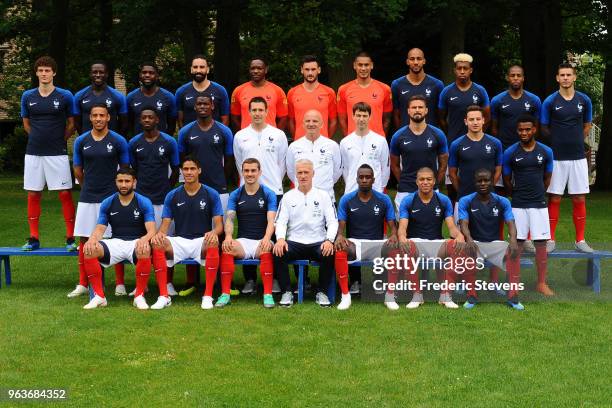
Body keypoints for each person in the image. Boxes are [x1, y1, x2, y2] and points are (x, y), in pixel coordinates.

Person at [68, 104, 130, 299]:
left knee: (116, 239)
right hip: (88, 196)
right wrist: (88, 186)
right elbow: (77, 170)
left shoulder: (119, 140)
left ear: (108, 117)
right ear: (90, 118)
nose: (98, 119)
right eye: (94, 115)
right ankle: (83, 283)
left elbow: (125, 169)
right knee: (85, 239)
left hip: (112, 197)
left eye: (102, 115)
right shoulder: (81, 141)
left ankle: (120, 283)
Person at [177, 95, 234, 294]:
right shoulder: (185, 132)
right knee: (191, 233)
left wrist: (220, 181)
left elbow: (229, 160)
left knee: (219, 234)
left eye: (206, 104)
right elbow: (182, 160)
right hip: (192, 190)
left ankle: (220, 281)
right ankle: (192, 282)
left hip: (218, 189)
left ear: (212, 106)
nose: (202, 107)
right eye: (199, 104)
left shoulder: (224, 131)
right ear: (195, 107)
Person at [151, 157, 224, 310]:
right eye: (186, 169)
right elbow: (165, 225)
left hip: (201, 241)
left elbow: (219, 226)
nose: (189, 172)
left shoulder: (211, 194)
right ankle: (164, 296)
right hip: (180, 240)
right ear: (181, 172)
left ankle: (208, 295)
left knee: (213, 241)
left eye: (192, 169)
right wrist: (159, 235)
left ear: (199, 171)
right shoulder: (172, 195)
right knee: (157, 243)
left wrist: (213, 232)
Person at [80, 168, 159, 310]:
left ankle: (139, 295)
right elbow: (100, 228)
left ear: (134, 182)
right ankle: (99, 296)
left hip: (137, 242)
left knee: (144, 248)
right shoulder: (108, 202)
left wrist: (144, 239)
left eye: (127, 181)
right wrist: (92, 239)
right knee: (89, 250)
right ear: (115, 182)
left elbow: (152, 230)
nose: (123, 185)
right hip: (115, 242)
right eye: (120, 181)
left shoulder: (143, 202)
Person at [20, 55, 76, 252]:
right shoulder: (27, 96)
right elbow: (26, 123)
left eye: (47, 70)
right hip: (34, 152)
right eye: (40, 70)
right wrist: (36, 137)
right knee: (33, 193)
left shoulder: (65, 95)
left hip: (57, 153)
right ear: (36, 73)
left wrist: (61, 139)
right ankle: (34, 238)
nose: (44, 73)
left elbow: (71, 123)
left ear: (54, 72)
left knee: (64, 193)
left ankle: (70, 238)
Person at [233, 97, 288, 294]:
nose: (257, 113)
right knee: (247, 233)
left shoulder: (278, 134)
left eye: (260, 110)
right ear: (249, 112)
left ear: (267, 112)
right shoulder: (240, 135)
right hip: (247, 192)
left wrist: (272, 184)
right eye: (254, 110)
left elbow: (282, 163)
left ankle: (272, 278)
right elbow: (240, 164)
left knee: (272, 235)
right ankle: (249, 279)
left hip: (274, 191)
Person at [541, 63, 593, 253]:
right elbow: (544, 127)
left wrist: (578, 139)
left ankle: (580, 240)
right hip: (556, 158)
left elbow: (587, 124)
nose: (565, 78)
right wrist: (557, 141)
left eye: (568, 74)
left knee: (579, 198)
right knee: (554, 198)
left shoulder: (584, 100)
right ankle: (550, 239)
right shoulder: (550, 101)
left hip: (578, 157)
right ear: (557, 78)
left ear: (574, 77)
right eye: (562, 75)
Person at [273, 159, 339, 307]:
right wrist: (281, 239)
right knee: (278, 251)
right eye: (300, 173)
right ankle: (287, 292)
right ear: (295, 175)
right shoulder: (288, 197)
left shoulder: (323, 196)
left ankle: (322, 292)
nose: (303, 176)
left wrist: (329, 240)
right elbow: (281, 222)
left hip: (318, 242)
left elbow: (333, 222)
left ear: (313, 173)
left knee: (330, 252)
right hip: (295, 242)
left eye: (306, 172)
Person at [129, 107, 180, 296]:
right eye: (144, 117)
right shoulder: (134, 143)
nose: (148, 120)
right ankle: (143, 283)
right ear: (140, 121)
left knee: (165, 242)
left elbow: (175, 169)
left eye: (151, 117)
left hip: (162, 200)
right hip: (142, 201)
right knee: (141, 243)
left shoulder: (169, 141)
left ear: (157, 119)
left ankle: (168, 283)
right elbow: (132, 169)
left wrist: (167, 190)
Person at [398, 167, 465, 309]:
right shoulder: (408, 200)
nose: (425, 182)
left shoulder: (443, 200)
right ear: (416, 182)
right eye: (421, 179)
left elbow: (451, 227)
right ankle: (417, 295)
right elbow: (402, 227)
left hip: (436, 244)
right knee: (407, 245)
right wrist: (402, 237)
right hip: (415, 244)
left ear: (434, 181)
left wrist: (459, 235)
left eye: (429, 179)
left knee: (455, 245)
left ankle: (445, 295)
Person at [503, 114, 555, 296]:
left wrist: (538, 192)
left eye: (527, 129)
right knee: (515, 243)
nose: (524, 133)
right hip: (518, 205)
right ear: (517, 131)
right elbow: (507, 179)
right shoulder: (510, 152)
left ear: (534, 130)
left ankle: (541, 283)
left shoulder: (546, 152)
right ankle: (513, 284)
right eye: (520, 130)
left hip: (539, 205)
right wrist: (516, 195)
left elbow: (547, 178)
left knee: (541, 243)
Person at [457, 169, 522, 310]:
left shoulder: (502, 201)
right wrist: (468, 239)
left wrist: (513, 240)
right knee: (467, 253)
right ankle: (471, 296)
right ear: (474, 183)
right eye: (479, 181)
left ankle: (513, 297)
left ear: (492, 182)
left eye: (486, 180)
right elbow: (463, 223)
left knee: (514, 254)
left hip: (495, 244)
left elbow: (511, 223)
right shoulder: (466, 200)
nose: (483, 183)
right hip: (475, 243)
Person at [335, 164, 398, 310]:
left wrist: (394, 235)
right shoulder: (347, 199)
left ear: (373, 179)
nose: (364, 180)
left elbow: (392, 226)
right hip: (355, 244)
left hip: (377, 243)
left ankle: (389, 295)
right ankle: (345, 295)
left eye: (367, 177)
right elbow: (341, 227)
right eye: (361, 177)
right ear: (356, 179)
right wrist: (339, 236)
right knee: (339, 248)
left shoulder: (384, 199)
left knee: (394, 248)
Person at [220, 158, 278, 308]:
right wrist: (228, 237)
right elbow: (230, 219)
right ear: (242, 172)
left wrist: (266, 238)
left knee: (266, 247)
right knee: (227, 247)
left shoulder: (268, 193)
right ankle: (225, 294)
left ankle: (267, 295)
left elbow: (271, 220)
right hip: (243, 242)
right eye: (246, 170)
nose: (250, 174)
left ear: (259, 172)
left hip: (262, 240)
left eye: (253, 170)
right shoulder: (236, 194)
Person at [438, 53, 490, 202]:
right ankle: (456, 218)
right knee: (451, 183)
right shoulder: (446, 92)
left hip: (476, 144)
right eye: (459, 68)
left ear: (470, 70)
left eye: (465, 68)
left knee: (477, 180)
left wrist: (477, 134)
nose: (462, 71)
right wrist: (451, 133)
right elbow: (441, 118)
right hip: (453, 143)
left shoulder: (480, 91)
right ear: (454, 70)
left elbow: (487, 116)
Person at [390, 95, 448, 210]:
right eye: (414, 107)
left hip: (430, 190)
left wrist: (434, 183)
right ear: (408, 111)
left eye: (420, 107)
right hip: (405, 190)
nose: (417, 110)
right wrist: (404, 180)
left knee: (430, 225)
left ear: (426, 110)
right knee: (403, 226)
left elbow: (443, 164)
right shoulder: (398, 136)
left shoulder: (438, 134)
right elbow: (394, 165)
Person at [449, 106, 503, 204]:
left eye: (478, 119)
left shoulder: (495, 143)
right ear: (466, 121)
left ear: (483, 120)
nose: (475, 122)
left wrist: (489, 188)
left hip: (488, 199)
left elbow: (498, 169)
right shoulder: (456, 144)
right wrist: (461, 191)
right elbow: (452, 173)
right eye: (471, 119)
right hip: (464, 198)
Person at [286, 110, 341, 201]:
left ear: (322, 124)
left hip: (326, 199)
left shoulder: (332, 146)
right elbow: (291, 172)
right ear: (303, 124)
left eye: (315, 121)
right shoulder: (294, 146)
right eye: (308, 121)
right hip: (301, 199)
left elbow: (337, 171)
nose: (311, 124)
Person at [337, 51, 392, 137]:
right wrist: (348, 139)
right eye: (360, 65)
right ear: (354, 65)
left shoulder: (385, 89)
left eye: (366, 65)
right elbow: (342, 120)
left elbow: (387, 120)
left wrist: (381, 138)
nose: (363, 68)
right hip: (353, 140)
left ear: (371, 65)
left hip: (376, 141)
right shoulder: (344, 89)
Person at [340, 102, 390, 195]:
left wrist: (379, 187)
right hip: (352, 191)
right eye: (358, 115)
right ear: (353, 116)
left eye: (364, 116)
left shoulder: (380, 141)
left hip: (375, 191)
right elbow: (345, 169)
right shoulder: (345, 142)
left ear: (370, 117)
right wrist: (352, 183)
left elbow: (385, 169)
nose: (361, 119)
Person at [490, 65, 541, 151]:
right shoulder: (497, 100)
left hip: (527, 149)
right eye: (512, 75)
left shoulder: (534, 100)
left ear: (523, 78)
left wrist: (530, 146)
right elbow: (494, 129)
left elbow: (536, 127)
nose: (516, 78)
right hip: (505, 148)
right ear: (507, 78)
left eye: (519, 75)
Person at [391, 48, 444, 128]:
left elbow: (441, 115)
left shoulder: (437, 85)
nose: (415, 62)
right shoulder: (397, 84)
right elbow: (396, 114)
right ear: (407, 62)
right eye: (412, 59)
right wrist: (401, 134)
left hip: (431, 137)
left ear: (424, 61)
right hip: (406, 137)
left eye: (419, 59)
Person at [287, 55, 337, 138]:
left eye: (313, 69)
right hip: (300, 144)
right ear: (302, 70)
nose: (310, 73)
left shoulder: (329, 92)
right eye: (307, 69)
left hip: (322, 144)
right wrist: (297, 139)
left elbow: (333, 121)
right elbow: (290, 121)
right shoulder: (292, 92)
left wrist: (326, 139)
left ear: (319, 70)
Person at [230, 58, 288, 130]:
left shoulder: (277, 91)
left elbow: (283, 118)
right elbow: (234, 117)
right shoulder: (238, 90)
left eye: (259, 68)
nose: (256, 71)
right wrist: (243, 133)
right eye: (253, 68)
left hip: (270, 138)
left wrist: (275, 135)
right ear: (249, 70)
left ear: (266, 70)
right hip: (247, 138)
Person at [175, 54, 230, 128]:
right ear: (191, 69)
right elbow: (180, 120)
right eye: (195, 67)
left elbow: (225, 119)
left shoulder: (220, 90)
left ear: (207, 69)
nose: (198, 70)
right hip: (190, 138)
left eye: (202, 67)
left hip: (214, 138)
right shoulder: (181, 91)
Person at [74, 60, 128, 135]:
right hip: (88, 143)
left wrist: (115, 138)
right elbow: (77, 123)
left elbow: (124, 123)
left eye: (101, 72)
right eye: (95, 72)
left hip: (110, 143)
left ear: (107, 74)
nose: (98, 75)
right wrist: (85, 138)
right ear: (90, 74)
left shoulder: (118, 96)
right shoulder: (79, 96)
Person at [127, 62, 177, 135]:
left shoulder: (168, 97)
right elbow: (128, 124)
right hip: (138, 144)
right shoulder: (131, 97)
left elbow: (172, 125)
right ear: (140, 75)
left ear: (157, 76)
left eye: (151, 73)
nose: (147, 75)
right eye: (144, 72)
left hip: (161, 144)